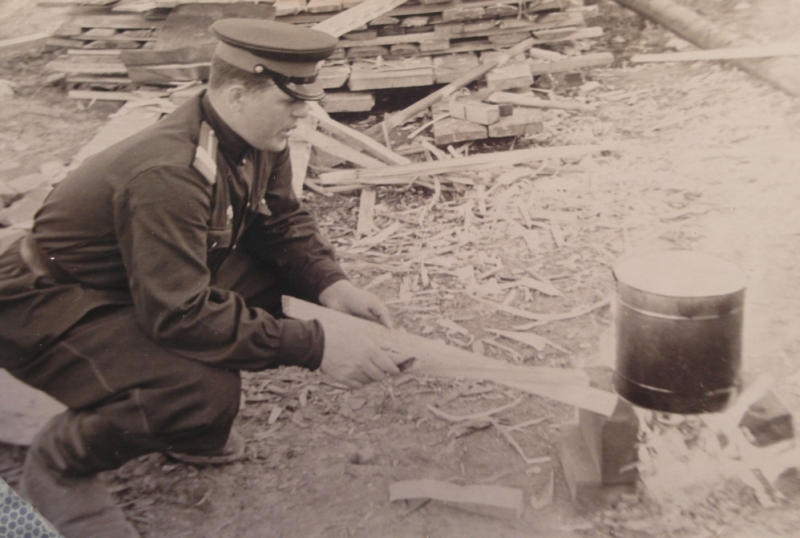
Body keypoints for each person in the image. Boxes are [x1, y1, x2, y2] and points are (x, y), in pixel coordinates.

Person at [0, 18, 400, 538]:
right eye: (292, 102)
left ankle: (185, 431)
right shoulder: (168, 171)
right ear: (236, 93)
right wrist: (316, 346)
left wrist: (331, 285)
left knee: (284, 291)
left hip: (130, 281)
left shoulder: (254, 136)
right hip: (47, 300)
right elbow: (179, 314)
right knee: (200, 388)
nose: (305, 114)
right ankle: (61, 462)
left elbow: (279, 222)